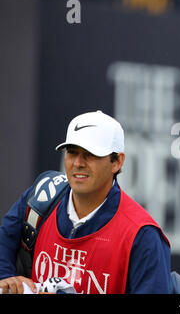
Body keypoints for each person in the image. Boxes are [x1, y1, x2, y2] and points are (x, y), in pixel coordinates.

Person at [0, 110, 171, 294]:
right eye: (72, 152)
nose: (78, 163)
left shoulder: (142, 235)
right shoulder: (43, 195)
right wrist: (7, 280)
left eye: (90, 154)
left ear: (117, 162)